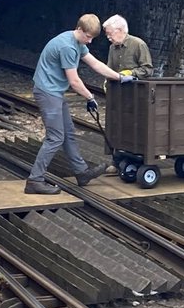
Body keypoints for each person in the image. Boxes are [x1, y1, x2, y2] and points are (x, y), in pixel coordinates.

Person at [27, 14, 135, 195]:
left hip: (55, 92)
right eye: (88, 37)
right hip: (47, 93)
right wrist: (90, 97)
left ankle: (81, 173)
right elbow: (74, 81)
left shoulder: (77, 42)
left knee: (68, 133)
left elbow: (95, 64)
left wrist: (120, 77)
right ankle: (34, 180)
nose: (90, 41)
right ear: (79, 29)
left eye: (92, 38)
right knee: (55, 138)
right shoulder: (67, 47)